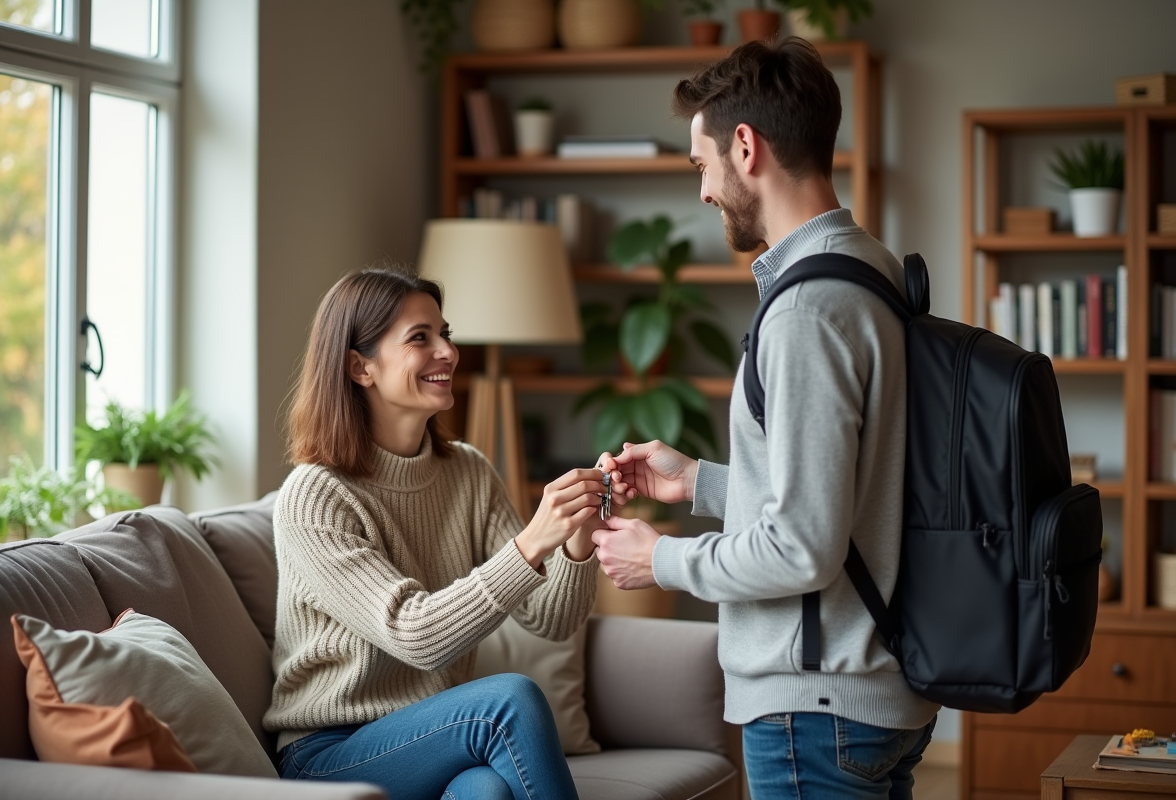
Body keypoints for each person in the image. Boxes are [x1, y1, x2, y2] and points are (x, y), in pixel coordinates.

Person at [590, 37, 940, 800]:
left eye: (701, 165)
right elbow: (848, 488)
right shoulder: (869, 266)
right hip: (865, 696)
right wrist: (704, 483)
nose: (705, 190)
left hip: (813, 711)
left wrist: (662, 561)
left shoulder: (807, 311)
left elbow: (803, 549)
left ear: (745, 147)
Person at [266, 264, 621, 800]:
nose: (448, 352)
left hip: (433, 736)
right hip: (327, 754)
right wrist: (531, 541)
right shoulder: (315, 496)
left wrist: (574, 535)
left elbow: (552, 618)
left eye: (445, 334)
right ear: (360, 367)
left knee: (486, 790)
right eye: (419, 338)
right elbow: (417, 636)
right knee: (508, 702)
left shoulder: (468, 471)